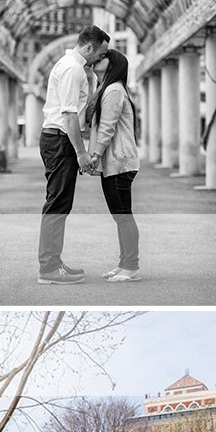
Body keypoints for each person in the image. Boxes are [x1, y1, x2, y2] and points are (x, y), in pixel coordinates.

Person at [38, 24, 111, 284]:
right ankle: (48, 268)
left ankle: (53, 262)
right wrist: (81, 153)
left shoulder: (74, 67)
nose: (101, 58)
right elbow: (69, 115)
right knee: (57, 204)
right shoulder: (72, 69)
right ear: (89, 47)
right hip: (59, 140)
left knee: (60, 203)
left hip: (58, 139)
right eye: (100, 53)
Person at [86, 47, 141, 282]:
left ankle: (131, 266)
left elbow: (107, 127)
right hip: (115, 163)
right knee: (120, 216)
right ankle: (124, 263)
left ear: (113, 64)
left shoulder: (114, 91)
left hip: (119, 162)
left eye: (103, 56)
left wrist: (95, 155)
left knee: (123, 215)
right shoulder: (106, 89)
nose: (98, 58)